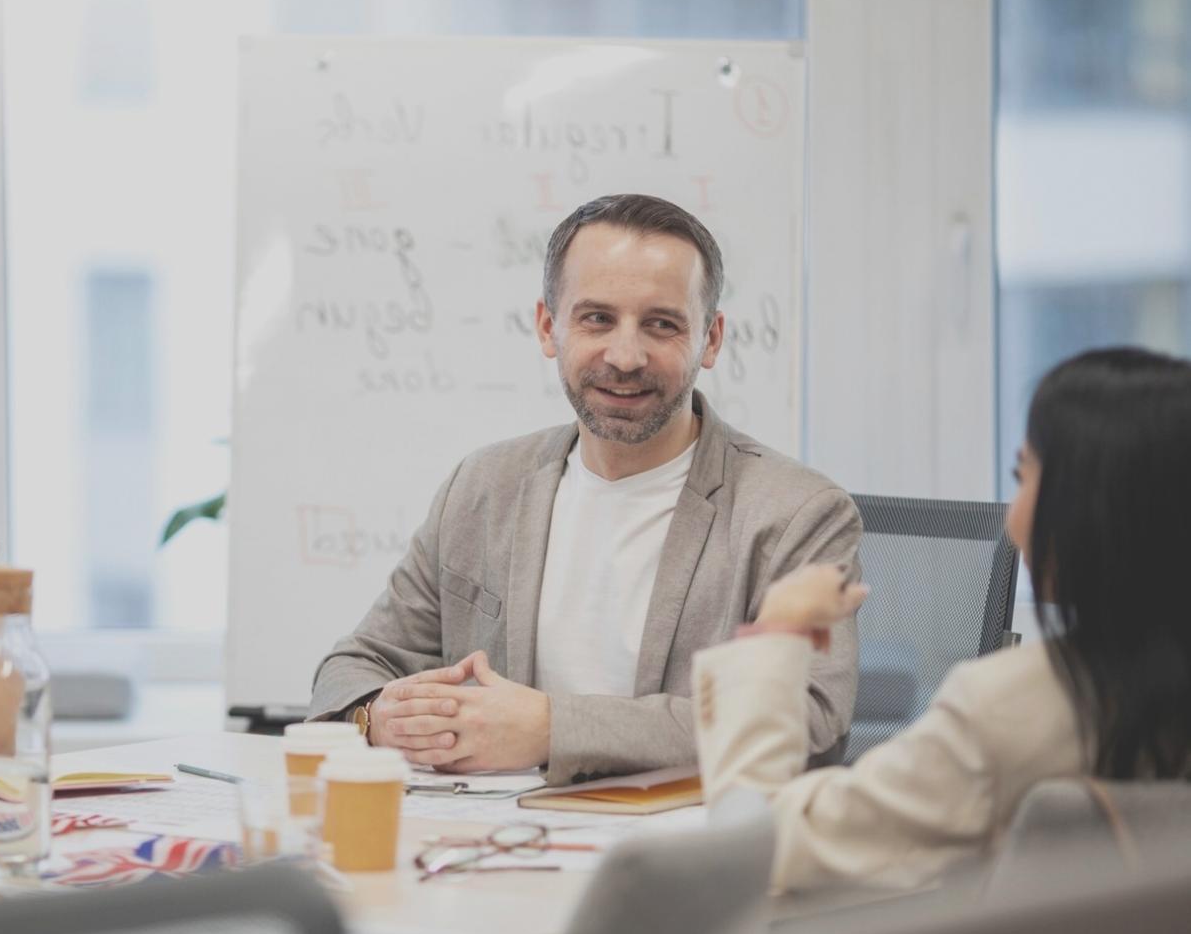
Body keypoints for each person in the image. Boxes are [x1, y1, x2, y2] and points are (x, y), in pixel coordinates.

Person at [309, 194, 862, 786]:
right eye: (597, 318)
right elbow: (353, 666)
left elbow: (805, 720)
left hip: (678, 855)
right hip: (488, 843)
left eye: (662, 324)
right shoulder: (484, 486)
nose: (625, 357)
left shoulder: (798, 513)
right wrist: (375, 717)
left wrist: (552, 728)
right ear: (550, 327)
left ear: (711, 340)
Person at [695, 347, 1191, 893]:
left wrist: (777, 631)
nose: (1013, 511)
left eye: (1022, 476)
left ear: (1087, 507)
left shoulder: (1014, 710)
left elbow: (757, 854)